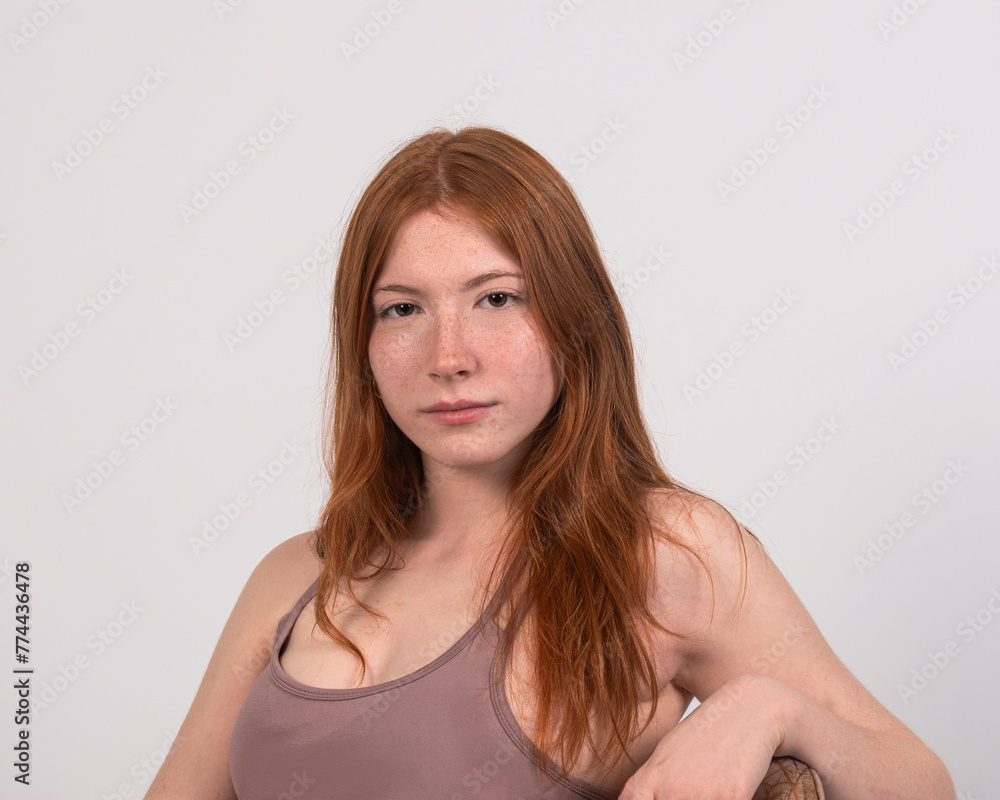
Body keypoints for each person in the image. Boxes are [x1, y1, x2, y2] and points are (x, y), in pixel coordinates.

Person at [143, 126, 955, 800]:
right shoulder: (294, 578)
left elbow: (922, 783)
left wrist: (769, 709)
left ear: (573, 317)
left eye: (497, 298)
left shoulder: (664, 552)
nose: (448, 357)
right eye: (403, 309)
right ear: (363, 343)